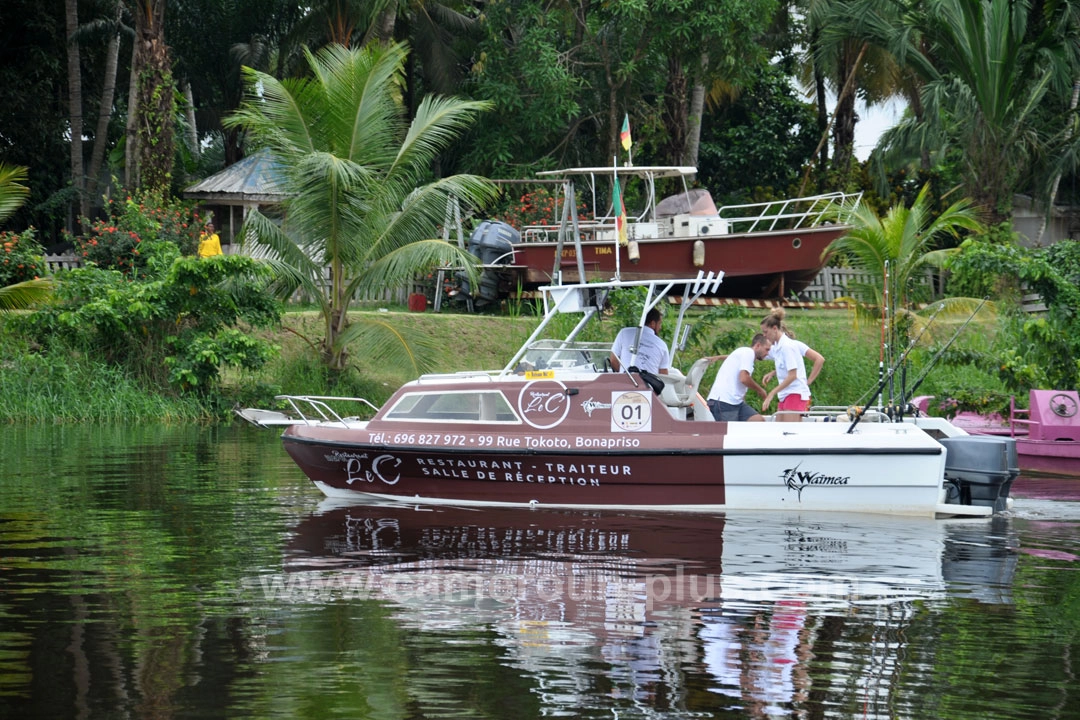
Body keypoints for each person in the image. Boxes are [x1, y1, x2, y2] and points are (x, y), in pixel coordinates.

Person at [760, 309, 814, 421]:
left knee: (789, 431)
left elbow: (793, 375)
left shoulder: (787, 346)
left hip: (795, 393)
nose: (764, 336)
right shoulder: (778, 347)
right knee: (780, 429)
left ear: (775, 328)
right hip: (785, 394)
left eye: (766, 332)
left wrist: (771, 393)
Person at [704, 333, 771, 421]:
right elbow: (744, 378)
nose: (767, 353)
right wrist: (760, 390)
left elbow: (732, 357)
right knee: (730, 432)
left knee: (758, 420)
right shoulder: (748, 352)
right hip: (724, 402)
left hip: (736, 402)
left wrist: (719, 357)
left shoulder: (743, 353)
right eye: (767, 349)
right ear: (758, 345)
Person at [609, 308, 671, 375]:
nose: (660, 327)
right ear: (653, 323)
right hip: (649, 384)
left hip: (624, 383)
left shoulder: (624, 333)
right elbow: (663, 374)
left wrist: (626, 375)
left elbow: (613, 360)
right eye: (660, 323)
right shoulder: (661, 345)